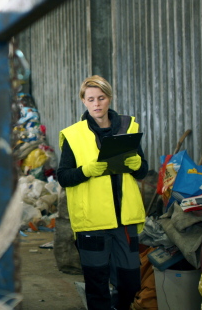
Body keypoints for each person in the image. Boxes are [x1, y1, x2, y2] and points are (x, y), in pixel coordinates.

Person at [56, 75, 148, 310]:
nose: (96, 103)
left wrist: (139, 164)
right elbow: (64, 176)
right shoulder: (74, 135)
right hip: (92, 222)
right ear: (83, 102)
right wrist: (86, 171)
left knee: (129, 283)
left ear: (109, 98)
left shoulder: (128, 127)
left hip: (125, 221)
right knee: (96, 286)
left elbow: (142, 172)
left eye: (101, 98)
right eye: (91, 99)